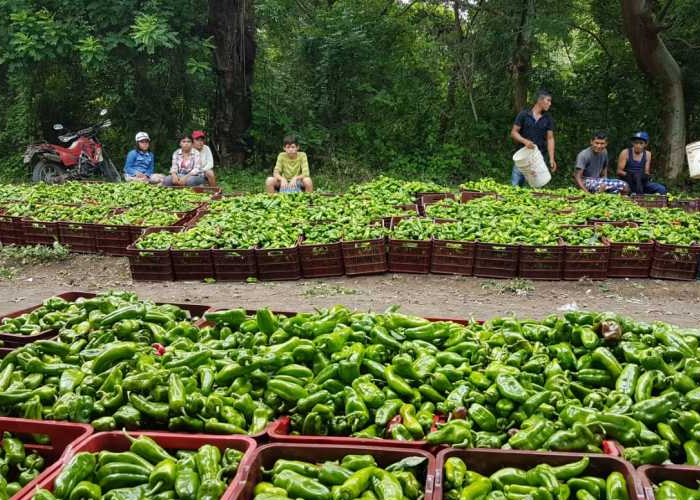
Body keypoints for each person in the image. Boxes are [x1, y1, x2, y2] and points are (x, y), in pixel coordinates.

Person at [510, 90, 558, 186]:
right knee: (515, 186)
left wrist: (552, 159)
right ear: (540, 100)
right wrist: (525, 141)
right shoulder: (524, 115)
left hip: (538, 158)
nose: (550, 104)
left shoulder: (548, 119)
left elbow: (550, 139)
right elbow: (514, 133)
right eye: (548, 100)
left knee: (537, 187)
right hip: (522, 156)